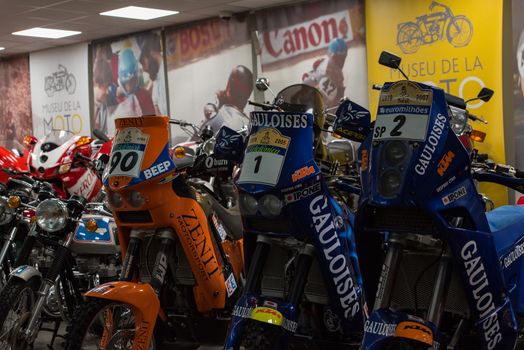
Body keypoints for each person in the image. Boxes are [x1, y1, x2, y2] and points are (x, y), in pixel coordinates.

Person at [111, 48, 156, 135]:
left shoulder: (144, 96)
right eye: (127, 83)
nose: (129, 87)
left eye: (132, 82)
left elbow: (152, 125)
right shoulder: (113, 98)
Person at [199, 65, 253, 135]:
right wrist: (212, 113)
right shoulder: (220, 96)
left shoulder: (243, 117)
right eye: (236, 86)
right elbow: (210, 106)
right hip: (206, 134)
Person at [302, 37, 348, 108]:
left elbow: (338, 101)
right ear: (331, 56)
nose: (341, 61)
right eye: (338, 58)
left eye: (343, 58)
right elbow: (306, 78)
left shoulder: (339, 75)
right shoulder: (323, 66)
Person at [139, 34, 167, 116]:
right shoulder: (156, 76)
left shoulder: (166, 74)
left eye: (143, 61)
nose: (144, 68)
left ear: (151, 52)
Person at [93, 57, 117, 135]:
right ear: (96, 83)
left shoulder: (108, 100)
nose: (107, 92)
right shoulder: (86, 106)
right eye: (105, 87)